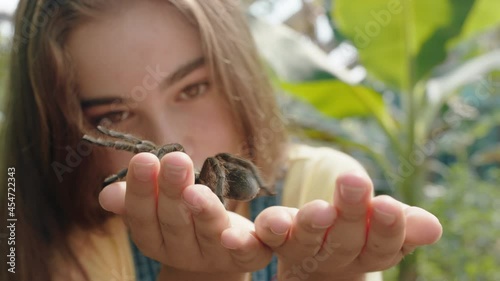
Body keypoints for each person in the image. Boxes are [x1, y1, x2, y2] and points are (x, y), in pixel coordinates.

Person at [0, 0, 442, 280]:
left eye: (192, 89)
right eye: (113, 115)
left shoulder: (316, 188)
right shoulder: (59, 244)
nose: (168, 138)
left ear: (239, 78)